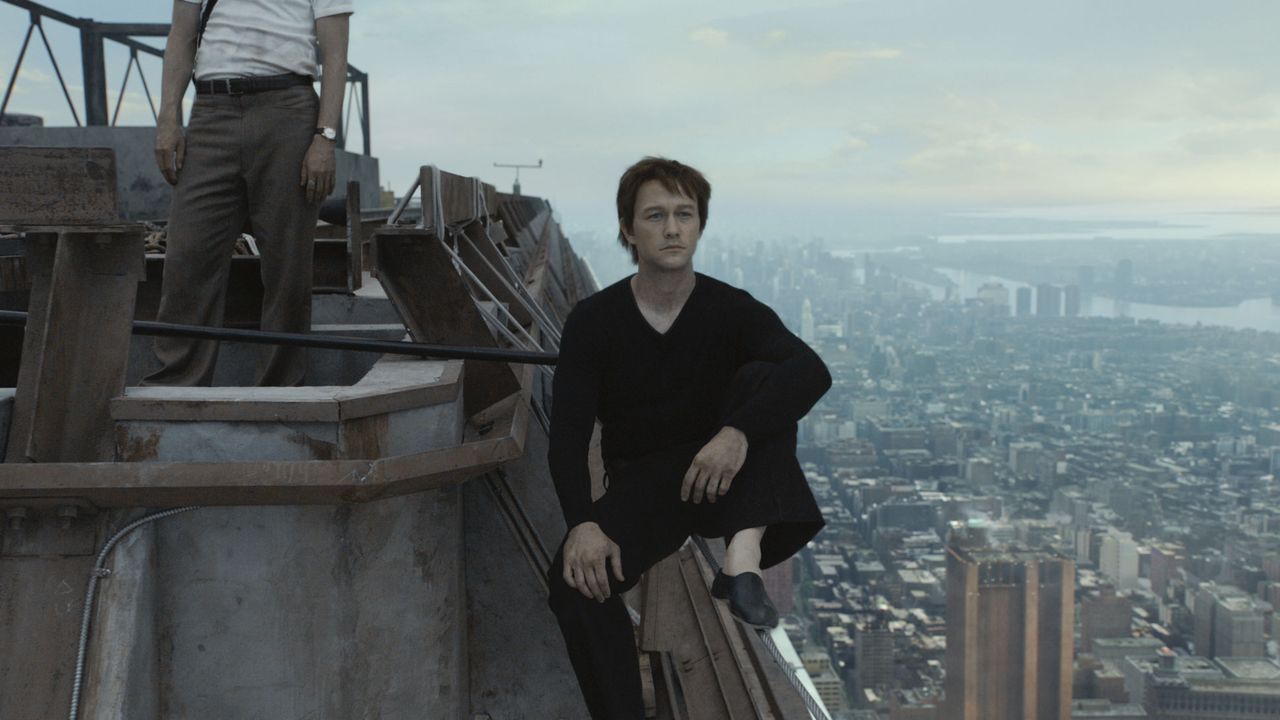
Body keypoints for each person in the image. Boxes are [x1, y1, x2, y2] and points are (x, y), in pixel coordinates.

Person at [546, 157, 831, 718]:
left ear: (700, 225)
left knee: (767, 376)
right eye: (655, 216)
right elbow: (568, 438)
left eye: (685, 214)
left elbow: (811, 370)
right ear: (628, 229)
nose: (672, 229)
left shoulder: (730, 308)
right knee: (573, 584)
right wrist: (582, 524)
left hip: (725, 478)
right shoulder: (594, 321)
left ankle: (742, 561)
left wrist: (736, 433)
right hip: (648, 487)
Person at [148, 0, 352, 386]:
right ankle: (176, 388)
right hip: (211, 110)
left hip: (288, 110)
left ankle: (280, 392)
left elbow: (335, 54)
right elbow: (181, 35)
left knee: (287, 265)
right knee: (187, 257)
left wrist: (325, 138)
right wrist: (167, 118)